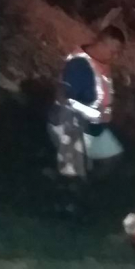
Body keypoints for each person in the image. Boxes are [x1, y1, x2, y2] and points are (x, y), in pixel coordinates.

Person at [48, 26, 126, 179]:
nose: (116, 57)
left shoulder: (101, 61)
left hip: (93, 126)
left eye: (118, 52)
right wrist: (96, 114)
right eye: (113, 52)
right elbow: (65, 100)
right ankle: (70, 182)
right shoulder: (78, 65)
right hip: (70, 125)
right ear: (101, 45)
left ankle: (90, 183)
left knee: (113, 157)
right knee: (75, 173)